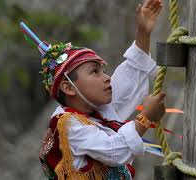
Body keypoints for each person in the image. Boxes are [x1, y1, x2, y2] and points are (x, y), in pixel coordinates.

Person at [22, 0, 165, 179]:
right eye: (94, 72)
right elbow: (114, 151)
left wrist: (143, 33)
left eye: (103, 71)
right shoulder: (69, 125)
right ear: (68, 87)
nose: (106, 77)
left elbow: (130, 76)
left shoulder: (97, 110)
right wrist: (144, 119)